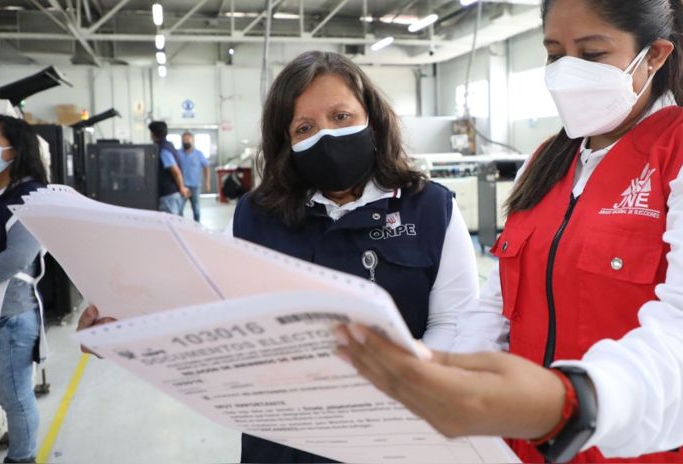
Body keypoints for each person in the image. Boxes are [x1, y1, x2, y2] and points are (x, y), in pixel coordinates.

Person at [336, 0, 683, 463]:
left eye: (592, 55)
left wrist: (574, 400)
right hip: (535, 438)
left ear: (657, 55)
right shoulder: (546, 161)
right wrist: (458, 378)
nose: (567, 72)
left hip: (658, 445)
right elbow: (501, 300)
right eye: (554, 53)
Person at [78, 50, 501, 462]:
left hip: (397, 432)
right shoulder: (255, 217)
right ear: (287, 142)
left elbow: (454, 321)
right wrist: (125, 327)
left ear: (371, 117)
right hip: (286, 441)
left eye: (341, 117)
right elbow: (203, 308)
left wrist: (404, 386)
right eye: (305, 127)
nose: (327, 136)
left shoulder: (429, 209)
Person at [0, 114, 51, 464]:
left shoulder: (32, 197)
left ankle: (22, 458)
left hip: (12, 316)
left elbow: (16, 257)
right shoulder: (1, 191)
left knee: (15, 397)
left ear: (14, 150)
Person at [149, 121, 190, 214]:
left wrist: (182, 188)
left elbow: (175, 171)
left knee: (170, 223)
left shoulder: (163, 149)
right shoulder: (168, 145)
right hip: (171, 193)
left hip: (169, 194)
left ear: (153, 133)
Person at [178, 131, 211, 222]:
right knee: (179, 210)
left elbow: (206, 167)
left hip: (195, 186)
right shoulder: (178, 153)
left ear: (193, 141)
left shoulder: (199, 154)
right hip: (182, 186)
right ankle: (180, 226)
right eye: (184, 140)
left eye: (188, 140)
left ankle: (197, 227)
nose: (186, 142)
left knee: (196, 210)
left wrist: (207, 182)